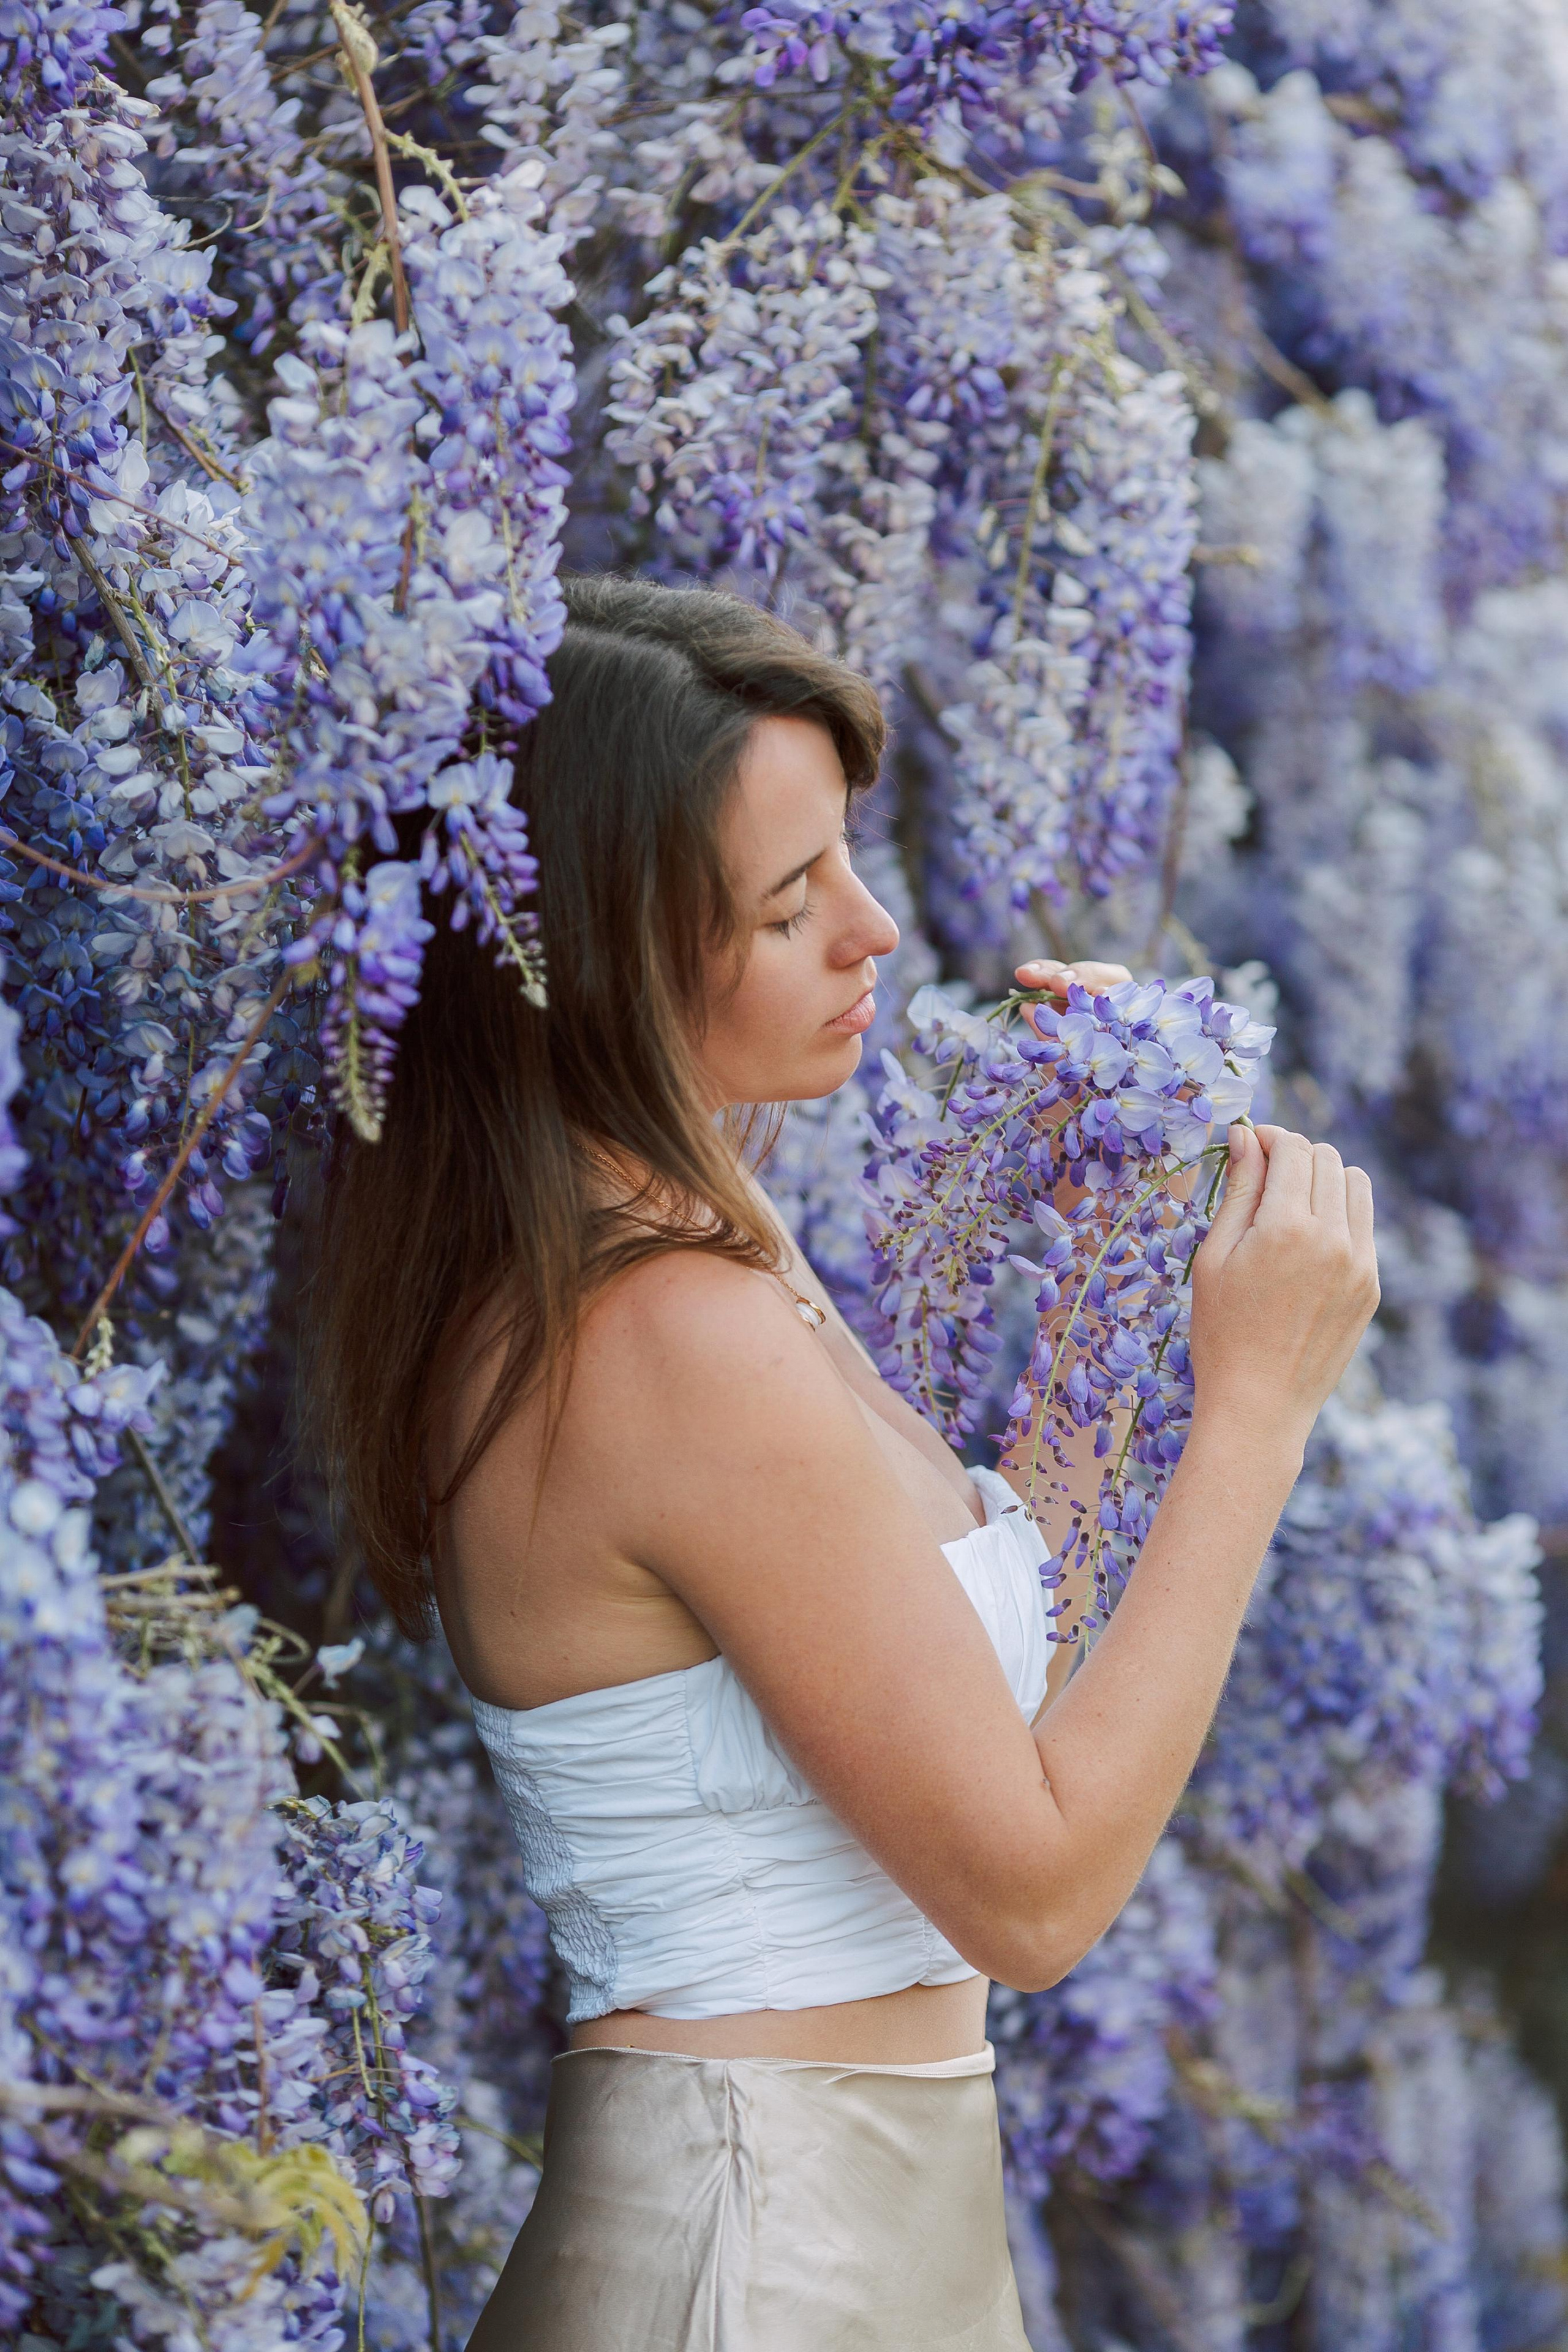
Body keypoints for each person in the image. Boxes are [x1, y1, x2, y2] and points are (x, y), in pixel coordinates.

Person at [306, 575, 1379, 2350]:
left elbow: (985, 1655)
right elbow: (1032, 1893)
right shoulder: (661, 1342)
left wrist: (1119, 1227)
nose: (876, 931)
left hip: (839, 2218)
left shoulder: (684, 1255)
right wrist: (1254, 1410)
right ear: (588, 952)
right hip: (764, 2247)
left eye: (852, 865)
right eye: (790, 902)